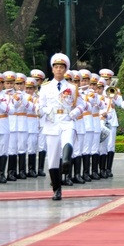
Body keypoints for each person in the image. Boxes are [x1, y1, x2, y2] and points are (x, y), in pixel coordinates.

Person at [38, 53, 84, 200]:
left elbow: (82, 104)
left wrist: (75, 113)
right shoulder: (45, 88)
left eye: (61, 67)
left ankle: (66, 161)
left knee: (69, 138)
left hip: (66, 119)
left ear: (65, 70)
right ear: (52, 69)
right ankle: (57, 190)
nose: (58, 69)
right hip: (51, 123)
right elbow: (39, 107)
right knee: (52, 159)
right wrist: (47, 111)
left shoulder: (72, 87)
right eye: (56, 67)